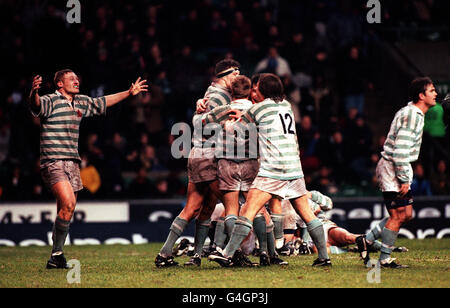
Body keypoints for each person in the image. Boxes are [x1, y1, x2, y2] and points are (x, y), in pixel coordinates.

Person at [206, 73, 331, 267]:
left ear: (263, 91)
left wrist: (217, 116)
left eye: (256, 88)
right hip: (294, 167)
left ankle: (228, 253)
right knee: (307, 214)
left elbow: (229, 123)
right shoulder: (286, 106)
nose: (253, 91)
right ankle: (324, 257)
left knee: (248, 209)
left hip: (274, 168)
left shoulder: (258, 108)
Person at [29, 70, 148, 269]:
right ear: (59, 83)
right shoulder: (49, 100)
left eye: (77, 78)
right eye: (72, 79)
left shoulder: (81, 102)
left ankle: (56, 256)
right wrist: (33, 92)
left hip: (73, 162)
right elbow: (36, 105)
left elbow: (102, 102)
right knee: (67, 203)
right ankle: (57, 254)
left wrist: (128, 93)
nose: (77, 81)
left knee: (67, 208)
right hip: (54, 161)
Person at [154, 59, 240, 268]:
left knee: (200, 207)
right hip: (209, 156)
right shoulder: (218, 96)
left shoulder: (213, 95)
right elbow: (207, 123)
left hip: (199, 154)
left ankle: (176, 254)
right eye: (236, 74)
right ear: (225, 75)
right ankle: (233, 254)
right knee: (232, 205)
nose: (238, 78)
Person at [357, 77, 437, 269]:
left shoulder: (413, 112)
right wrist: (404, 179)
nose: (436, 93)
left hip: (397, 166)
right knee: (397, 216)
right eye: (432, 90)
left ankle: (366, 240)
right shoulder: (412, 115)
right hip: (393, 167)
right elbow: (400, 150)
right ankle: (384, 259)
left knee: (406, 214)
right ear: (421, 95)